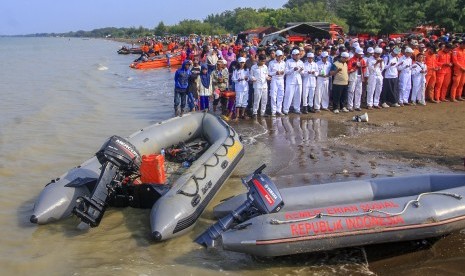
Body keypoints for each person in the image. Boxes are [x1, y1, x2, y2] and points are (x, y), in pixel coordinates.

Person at [283, 49, 304, 114]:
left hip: (298, 81)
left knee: (298, 95)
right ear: (293, 55)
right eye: (296, 55)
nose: (297, 56)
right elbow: (286, 72)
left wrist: (301, 70)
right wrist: (293, 69)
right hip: (290, 81)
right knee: (288, 95)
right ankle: (286, 109)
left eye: (298, 55)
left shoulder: (301, 62)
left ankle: (297, 109)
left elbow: (303, 73)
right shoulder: (288, 62)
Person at [268, 50, 286, 116]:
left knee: (281, 95)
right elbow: (268, 72)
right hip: (274, 80)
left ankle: (279, 110)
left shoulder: (283, 63)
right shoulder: (271, 63)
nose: (280, 57)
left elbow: (285, 71)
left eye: (281, 56)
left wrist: (282, 72)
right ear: (276, 56)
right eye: (278, 56)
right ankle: (273, 111)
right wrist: (275, 73)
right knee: (273, 95)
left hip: (281, 79)